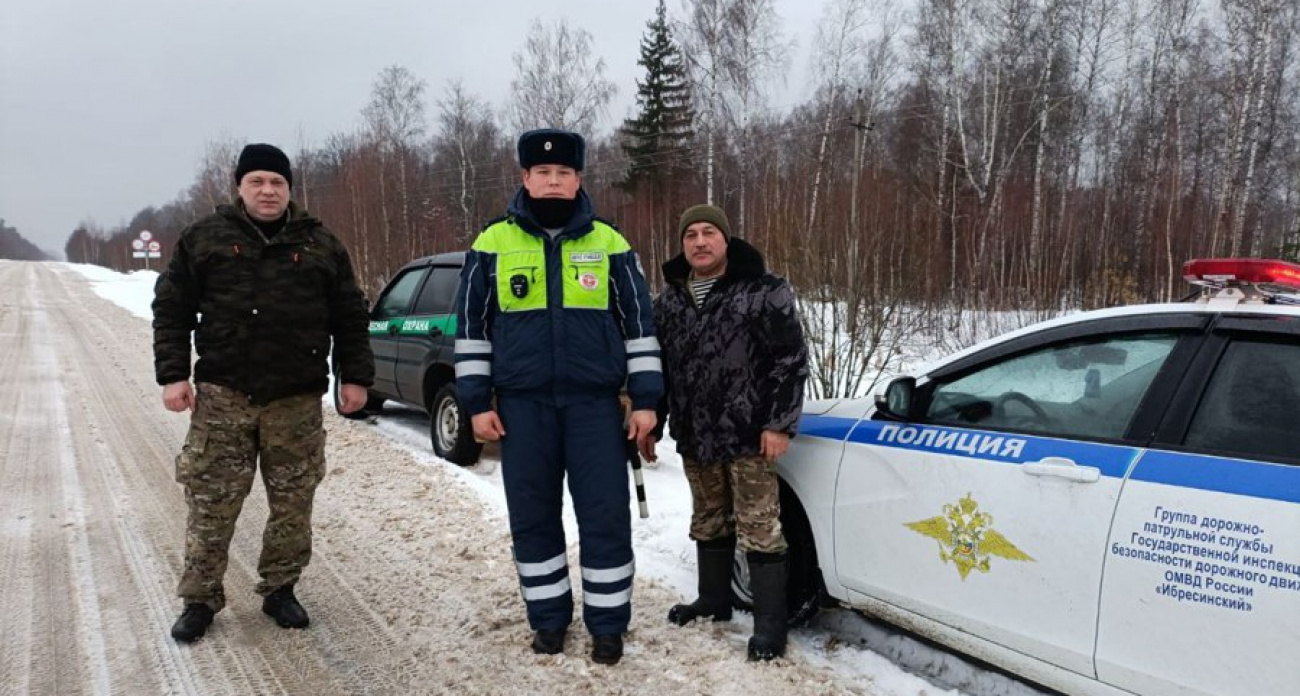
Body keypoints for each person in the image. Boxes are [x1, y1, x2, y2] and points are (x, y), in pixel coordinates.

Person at [453, 129, 662, 665]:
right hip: (522, 410)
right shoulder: (491, 244)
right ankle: (548, 620)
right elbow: (473, 331)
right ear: (524, 178)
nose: (553, 180)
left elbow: (640, 328)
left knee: (605, 517)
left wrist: (645, 400)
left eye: (563, 173)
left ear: (579, 180)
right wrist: (476, 403)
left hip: (595, 407)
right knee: (533, 517)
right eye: (542, 173)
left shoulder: (609, 243)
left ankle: (608, 624)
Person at [152, 143, 374, 642]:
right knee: (212, 501)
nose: (267, 191)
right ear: (240, 187)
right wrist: (173, 374)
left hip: (294, 401)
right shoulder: (204, 239)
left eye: (276, 182)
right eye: (257, 182)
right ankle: (200, 598)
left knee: (293, 502)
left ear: (289, 188)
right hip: (223, 395)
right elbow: (171, 309)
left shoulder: (321, 245)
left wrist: (355, 376)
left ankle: (280, 588)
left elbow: (350, 316)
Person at [646, 204, 809, 661]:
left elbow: (789, 360)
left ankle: (771, 626)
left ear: (726, 239)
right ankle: (713, 600)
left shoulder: (763, 290)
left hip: (750, 435)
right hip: (697, 435)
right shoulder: (670, 301)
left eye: (709, 233)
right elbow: (661, 370)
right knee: (708, 519)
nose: (699, 242)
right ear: (682, 244)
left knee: (760, 527)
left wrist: (779, 423)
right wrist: (652, 423)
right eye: (691, 234)